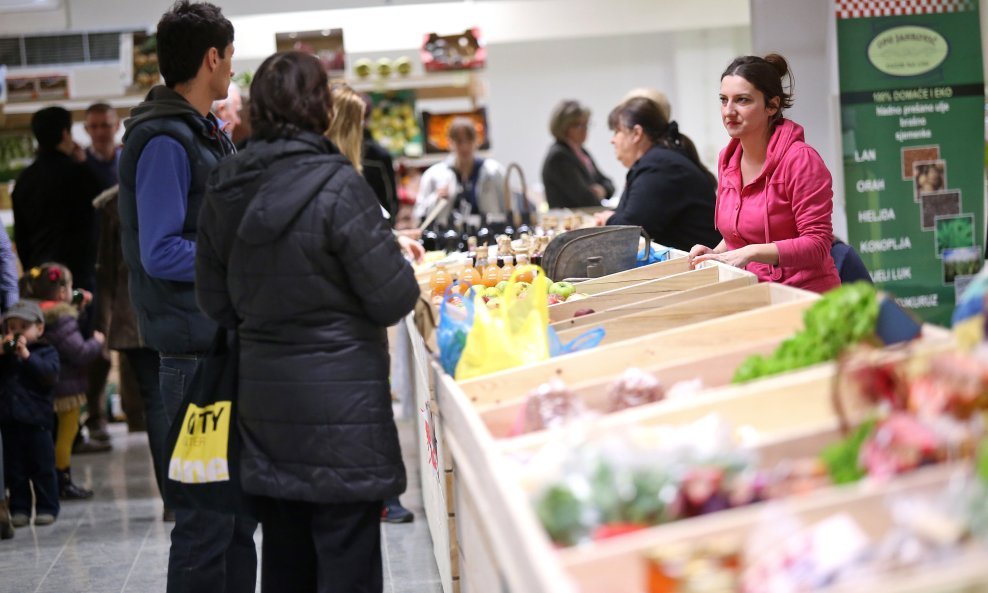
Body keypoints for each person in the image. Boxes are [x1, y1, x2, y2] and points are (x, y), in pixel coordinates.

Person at [197, 51, 420, 593]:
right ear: (320, 108)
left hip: (266, 412)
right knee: (348, 566)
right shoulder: (341, 185)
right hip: (345, 418)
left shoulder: (225, 185)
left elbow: (214, 302)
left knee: (285, 563)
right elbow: (394, 299)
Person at [117, 2, 257, 591]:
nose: (232, 69)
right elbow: (160, 250)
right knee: (206, 523)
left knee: (237, 521)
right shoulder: (163, 141)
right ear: (211, 58)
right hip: (191, 363)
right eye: (229, 56)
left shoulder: (203, 132)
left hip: (218, 350)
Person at [327, 84, 419, 525]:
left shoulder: (344, 176)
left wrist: (392, 239)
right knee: (366, 405)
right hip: (352, 318)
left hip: (347, 319)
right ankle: (380, 495)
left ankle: (380, 493)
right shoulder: (341, 181)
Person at [689, 54, 841, 294]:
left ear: (772, 105)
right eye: (723, 100)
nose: (728, 111)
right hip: (753, 291)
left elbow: (818, 244)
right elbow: (743, 234)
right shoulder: (727, 160)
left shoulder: (800, 160)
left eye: (742, 100)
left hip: (805, 296)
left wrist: (751, 252)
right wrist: (718, 253)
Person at [93, 186, 167, 509]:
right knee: (176, 399)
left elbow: (105, 272)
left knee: (156, 403)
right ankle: (189, 493)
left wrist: (104, 323)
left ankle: (173, 499)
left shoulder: (112, 205)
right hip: (175, 309)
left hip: (131, 313)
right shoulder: (183, 180)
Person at [594, 96, 720, 252]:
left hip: (701, 266)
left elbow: (631, 230)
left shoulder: (660, 166)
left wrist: (609, 219)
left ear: (636, 134)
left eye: (617, 131)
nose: (612, 140)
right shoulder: (659, 160)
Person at [24, 263, 103, 500]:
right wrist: (97, 342)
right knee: (66, 436)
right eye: (69, 287)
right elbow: (78, 351)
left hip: (44, 387)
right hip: (67, 389)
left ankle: (48, 482)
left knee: (50, 435)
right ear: (61, 293)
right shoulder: (63, 319)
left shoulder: (35, 315)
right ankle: (62, 480)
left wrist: (79, 310)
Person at [12, 106, 102, 293]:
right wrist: (85, 164)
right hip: (79, 276)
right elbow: (104, 210)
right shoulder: (81, 175)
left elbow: (21, 237)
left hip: (41, 274)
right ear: (65, 134)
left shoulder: (24, 180)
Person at [80, 102, 121, 453]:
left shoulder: (127, 162)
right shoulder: (83, 167)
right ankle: (96, 417)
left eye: (105, 125)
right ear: (86, 128)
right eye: (94, 126)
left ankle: (137, 414)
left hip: (132, 264)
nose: (100, 131)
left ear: (116, 125)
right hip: (97, 267)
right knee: (99, 347)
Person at [0, 299, 61, 529]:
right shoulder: (6, 357)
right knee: (15, 470)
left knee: (43, 467)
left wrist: (27, 356)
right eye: (11, 328)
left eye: (23, 327)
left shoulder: (47, 351)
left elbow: (49, 376)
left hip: (38, 423)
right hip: (10, 421)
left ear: (40, 328)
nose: (17, 333)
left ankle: (47, 507)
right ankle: (20, 508)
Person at [415, 117, 507, 226]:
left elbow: (508, 210)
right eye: (459, 141)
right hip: (449, 237)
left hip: (489, 234)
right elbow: (418, 214)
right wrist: (436, 198)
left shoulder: (494, 172)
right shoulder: (434, 175)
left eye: (469, 140)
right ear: (450, 143)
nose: (465, 146)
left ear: (477, 141)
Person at [541, 99, 614, 209]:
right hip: (569, 222)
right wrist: (596, 194)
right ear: (563, 127)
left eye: (586, 124)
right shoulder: (559, 156)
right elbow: (585, 199)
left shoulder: (581, 152)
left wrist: (603, 190)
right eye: (578, 125)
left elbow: (608, 183)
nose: (584, 130)